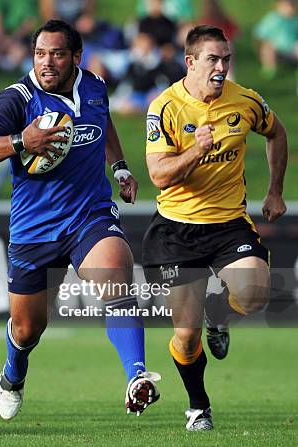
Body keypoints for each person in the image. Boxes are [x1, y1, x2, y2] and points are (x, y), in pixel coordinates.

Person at [0, 19, 161, 421]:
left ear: (76, 56)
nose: (46, 62)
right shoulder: (17, 99)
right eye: (39, 53)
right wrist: (22, 141)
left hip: (88, 215)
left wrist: (119, 166)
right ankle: (13, 373)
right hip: (34, 230)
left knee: (117, 272)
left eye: (56, 53)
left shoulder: (94, 86)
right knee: (26, 330)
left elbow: (103, 122)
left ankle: (137, 376)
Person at [143, 25, 288, 430]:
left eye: (226, 59)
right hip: (177, 230)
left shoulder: (245, 101)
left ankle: (218, 310)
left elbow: (276, 132)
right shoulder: (164, 107)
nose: (222, 67)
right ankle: (198, 406)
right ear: (190, 62)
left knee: (256, 293)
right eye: (213, 59)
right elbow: (158, 175)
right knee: (186, 338)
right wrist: (196, 150)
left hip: (228, 225)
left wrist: (275, 191)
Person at [253, 0, 298, 79]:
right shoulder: (272, 20)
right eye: (287, 6)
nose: (290, 9)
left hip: (291, 49)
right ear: (278, 6)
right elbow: (259, 34)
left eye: (292, 6)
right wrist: (260, 50)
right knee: (267, 46)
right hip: (277, 49)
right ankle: (269, 68)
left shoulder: (294, 21)